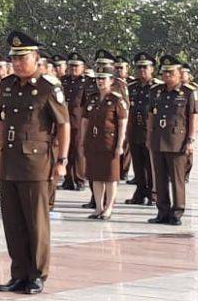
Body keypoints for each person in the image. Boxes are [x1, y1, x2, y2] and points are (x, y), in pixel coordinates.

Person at [0, 31, 70, 294]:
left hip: (37, 164)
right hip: (10, 162)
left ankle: (37, 274)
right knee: (13, 222)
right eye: (14, 58)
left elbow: (63, 125)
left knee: (36, 223)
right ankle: (19, 273)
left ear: (36, 58)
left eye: (22, 58)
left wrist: (62, 160)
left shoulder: (49, 87)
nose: (17, 63)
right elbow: (1, 121)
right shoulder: (6, 85)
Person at [148, 55, 198, 225]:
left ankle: (177, 212)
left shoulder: (188, 92)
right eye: (164, 72)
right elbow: (150, 116)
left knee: (177, 179)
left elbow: (193, 117)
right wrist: (149, 137)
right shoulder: (156, 91)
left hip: (178, 141)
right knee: (160, 179)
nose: (166, 75)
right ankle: (162, 211)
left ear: (179, 73)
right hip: (158, 140)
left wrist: (191, 140)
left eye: (171, 72)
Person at [81, 68, 128, 220]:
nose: (100, 81)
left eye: (104, 78)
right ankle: (98, 207)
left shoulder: (116, 100)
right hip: (93, 142)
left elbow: (122, 123)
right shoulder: (92, 98)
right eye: (98, 78)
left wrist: (120, 145)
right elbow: (85, 121)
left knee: (110, 177)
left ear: (111, 81)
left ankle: (108, 208)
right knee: (96, 176)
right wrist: (82, 140)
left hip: (110, 143)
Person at [125, 52, 159, 205]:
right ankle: (140, 192)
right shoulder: (131, 86)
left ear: (152, 69)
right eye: (139, 67)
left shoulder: (157, 87)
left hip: (150, 130)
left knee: (151, 164)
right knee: (138, 164)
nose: (142, 70)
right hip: (134, 129)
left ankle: (153, 194)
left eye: (145, 67)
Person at [61, 52, 89, 191]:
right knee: (66, 150)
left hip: (78, 121)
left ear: (83, 67)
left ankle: (80, 179)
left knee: (78, 151)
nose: (73, 68)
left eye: (76, 66)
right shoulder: (63, 81)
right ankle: (68, 179)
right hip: (64, 120)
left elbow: (86, 104)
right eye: (71, 65)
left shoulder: (86, 82)